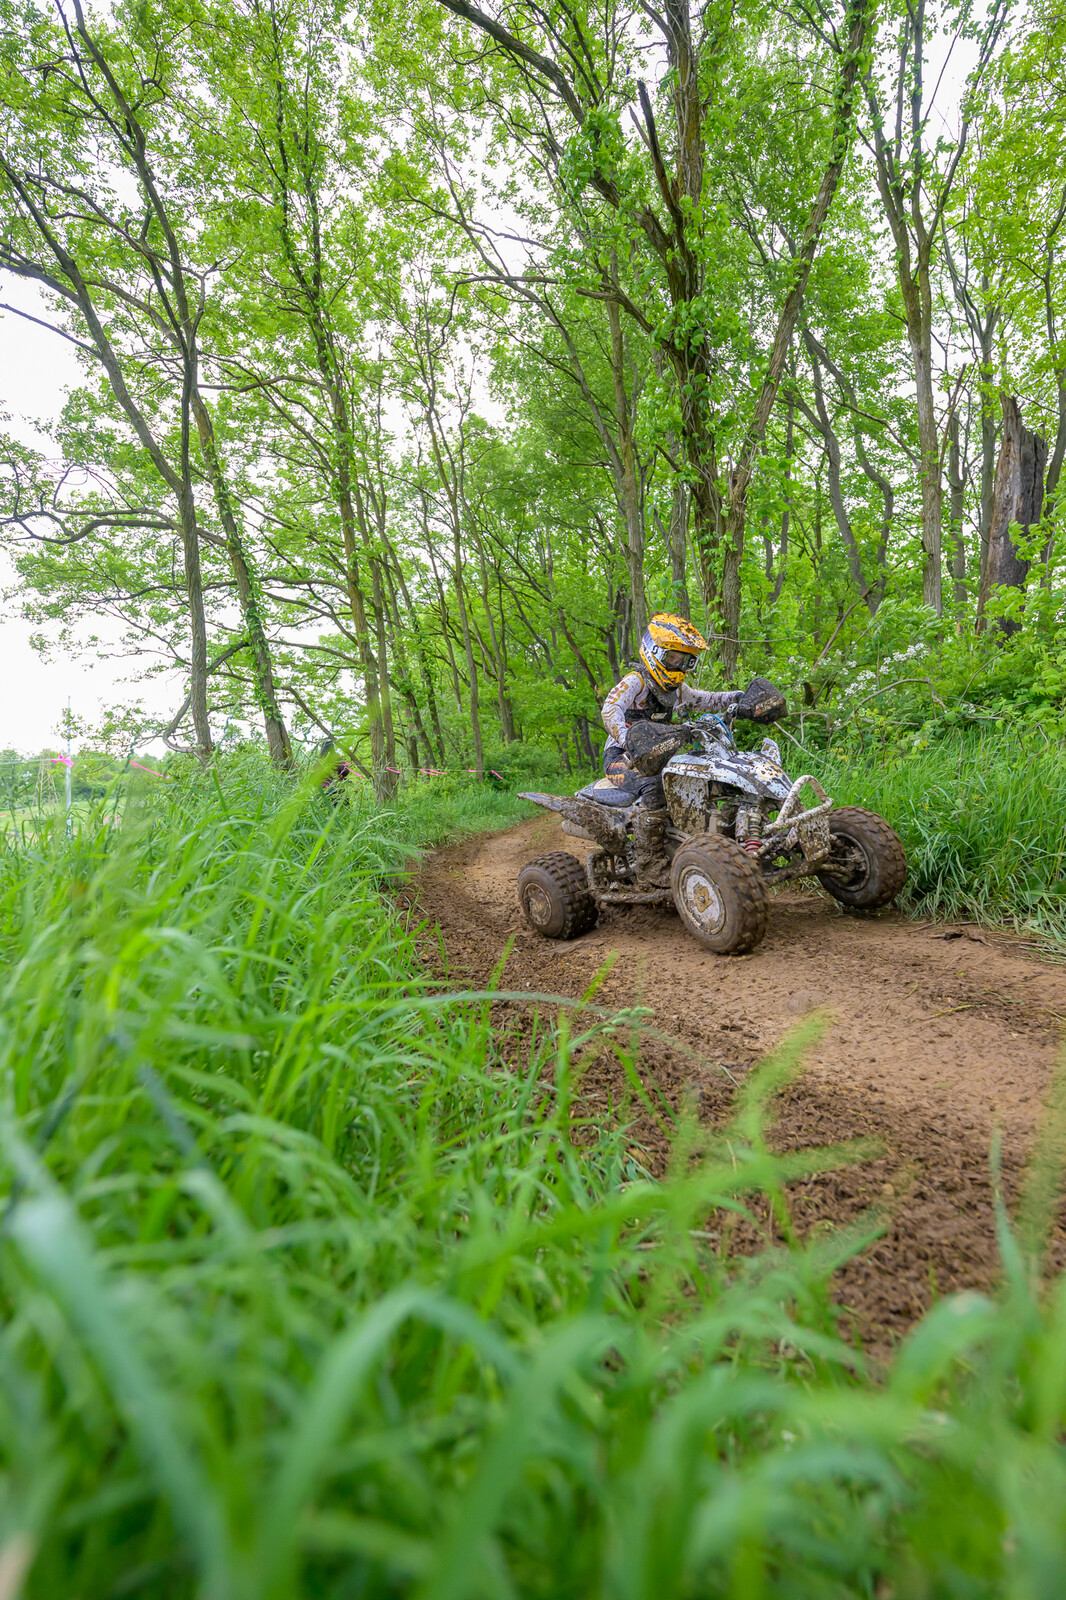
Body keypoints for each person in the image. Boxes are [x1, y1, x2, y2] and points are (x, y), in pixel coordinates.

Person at [600, 613, 741, 790]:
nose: (678, 665)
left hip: (659, 756)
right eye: (672, 658)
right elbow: (610, 709)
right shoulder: (637, 681)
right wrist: (627, 739)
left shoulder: (677, 690)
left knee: (694, 778)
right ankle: (647, 817)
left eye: (685, 661)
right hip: (622, 757)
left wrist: (738, 698)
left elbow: (706, 700)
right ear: (655, 652)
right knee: (657, 786)